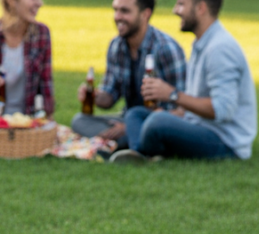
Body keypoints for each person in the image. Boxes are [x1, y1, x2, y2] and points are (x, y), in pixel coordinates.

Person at [113, 0, 256, 162]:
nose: (175, 10)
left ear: (201, 8)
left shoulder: (220, 48)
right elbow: (193, 107)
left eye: (181, 4)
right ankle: (141, 152)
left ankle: (139, 152)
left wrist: (172, 94)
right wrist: (172, 114)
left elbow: (222, 109)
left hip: (225, 142)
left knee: (157, 122)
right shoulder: (201, 44)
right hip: (198, 126)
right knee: (135, 114)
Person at [71, 0, 186, 150]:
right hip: (126, 118)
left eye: (125, 11)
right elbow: (109, 97)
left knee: (144, 127)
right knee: (79, 121)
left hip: (160, 121)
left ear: (145, 14)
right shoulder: (116, 46)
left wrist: (130, 126)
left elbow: (183, 110)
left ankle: (120, 141)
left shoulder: (166, 49)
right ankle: (124, 141)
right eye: (116, 10)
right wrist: (93, 96)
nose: (117, 17)